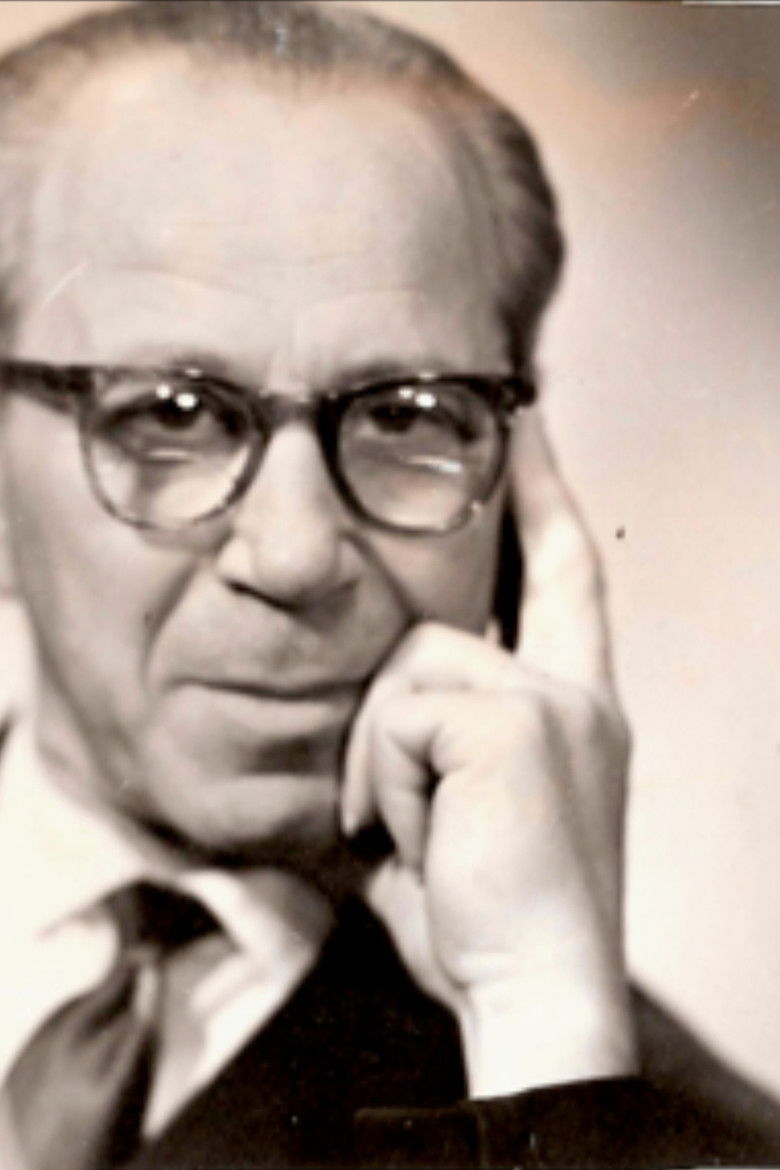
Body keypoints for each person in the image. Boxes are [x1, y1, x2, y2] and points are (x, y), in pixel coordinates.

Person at [0, 2, 778, 1167]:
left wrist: (535, 1017)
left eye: (407, 419)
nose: (295, 554)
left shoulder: (642, 1116)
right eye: (173, 414)